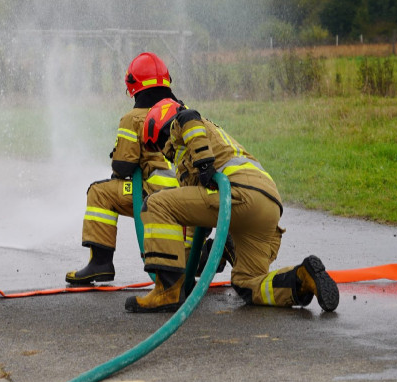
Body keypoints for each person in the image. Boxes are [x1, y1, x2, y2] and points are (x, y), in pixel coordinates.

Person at [125, 97, 338, 313]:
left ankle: (166, 292)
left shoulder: (181, 124)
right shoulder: (219, 142)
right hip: (267, 203)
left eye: (158, 145)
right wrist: (200, 257)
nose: (163, 153)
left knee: (155, 205)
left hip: (237, 192)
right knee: (247, 282)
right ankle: (302, 278)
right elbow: (196, 223)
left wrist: (204, 161)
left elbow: (189, 118)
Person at [64, 52, 182, 285]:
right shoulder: (182, 111)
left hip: (152, 193)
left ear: (133, 85)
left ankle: (100, 264)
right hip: (185, 194)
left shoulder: (134, 118)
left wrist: (118, 163)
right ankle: (202, 253)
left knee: (99, 192)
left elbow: (123, 165)